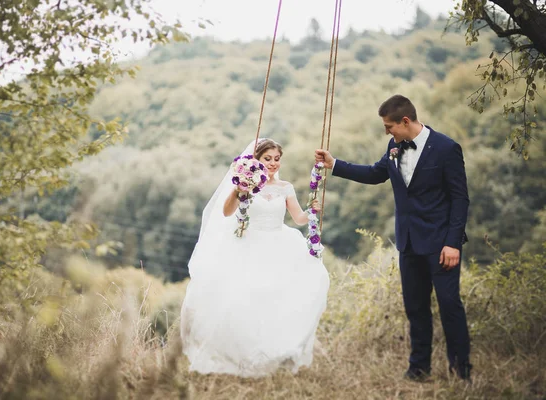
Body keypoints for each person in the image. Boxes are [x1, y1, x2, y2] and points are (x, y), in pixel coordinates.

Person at [315, 95, 472, 381]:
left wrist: (452, 242)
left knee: (450, 306)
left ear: (406, 121)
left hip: (440, 244)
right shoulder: (393, 147)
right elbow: (375, 174)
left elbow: (460, 199)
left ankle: (461, 372)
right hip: (408, 243)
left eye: (389, 127)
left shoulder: (447, 148)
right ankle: (418, 369)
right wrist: (334, 164)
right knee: (415, 308)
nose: (387, 132)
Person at [180, 138, 330, 378]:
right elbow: (227, 211)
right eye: (267, 159)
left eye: (276, 159)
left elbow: (299, 219)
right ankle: (242, 354)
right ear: (257, 160)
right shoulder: (248, 184)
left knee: (277, 298)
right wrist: (239, 189)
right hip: (250, 243)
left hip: (279, 245)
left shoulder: (285, 187)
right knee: (247, 297)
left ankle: (274, 353)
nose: (272, 164)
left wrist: (312, 210)